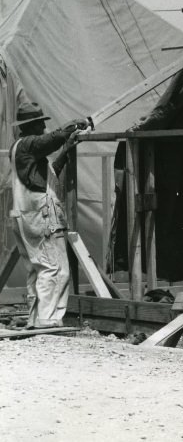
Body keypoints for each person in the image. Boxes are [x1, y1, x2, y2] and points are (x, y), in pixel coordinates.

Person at [9, 102, 90, 328]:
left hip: (25, 214)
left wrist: (66, 149)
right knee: (54, 268)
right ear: (33, 126)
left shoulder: (21, 150)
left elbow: (49, 173)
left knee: (37, 268)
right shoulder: (28, 144)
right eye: (40, 125)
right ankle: (48, 319)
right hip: (39, 215)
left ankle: (37, 318)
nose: (44, 130)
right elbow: (52, 139)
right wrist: (75, 125)